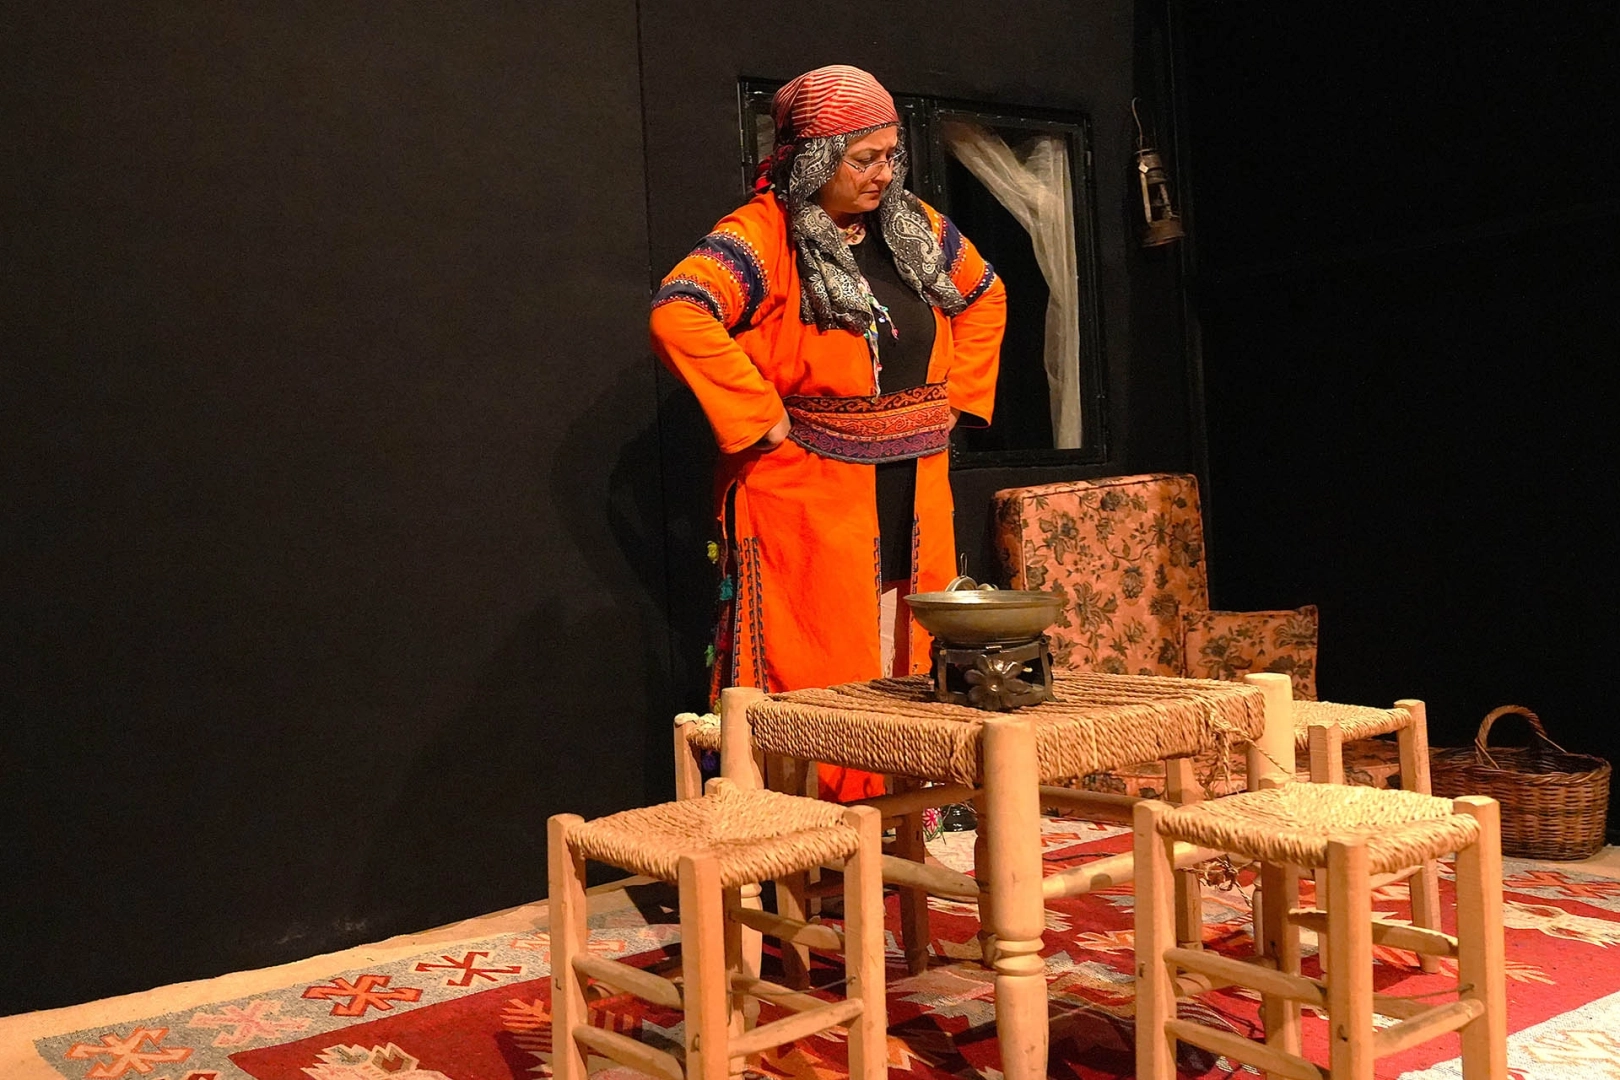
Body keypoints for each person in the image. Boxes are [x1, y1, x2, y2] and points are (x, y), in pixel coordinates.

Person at [650, 64, 1006, 801]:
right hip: (806, 488)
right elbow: (680, 310)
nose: (884, 174)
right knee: (818, 661)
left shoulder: (914, 226)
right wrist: (759, 414)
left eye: (891, 155)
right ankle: (817, 827)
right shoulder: (761, 235)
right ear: (814, 159)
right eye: (864, 158)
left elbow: (984, 294)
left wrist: (960, 397)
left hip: (914, 482)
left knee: (906, 642)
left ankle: (902, 814)